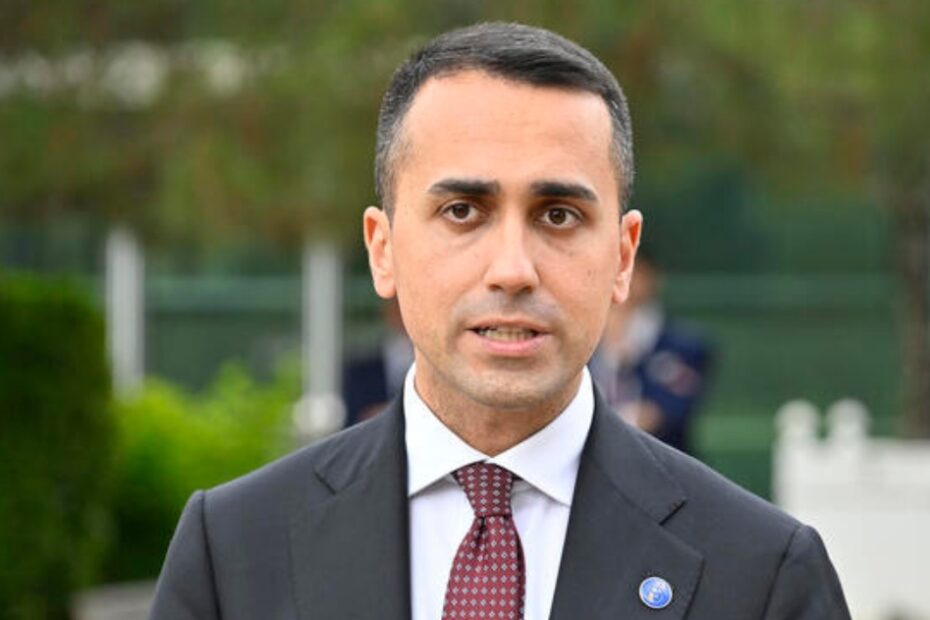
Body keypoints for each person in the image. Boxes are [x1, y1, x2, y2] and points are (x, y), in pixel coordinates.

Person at [150, 23, 850, 619]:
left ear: (623, 256)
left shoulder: (763, 576)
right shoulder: (232, 552)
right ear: (383, 250)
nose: (513, 269)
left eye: (559, 215)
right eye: (462, 212)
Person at [590, 249, 713, 455]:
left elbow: (663, 412)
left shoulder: (684, 345)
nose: (624, 280)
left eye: (634, 271)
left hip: (658, 459)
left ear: (653, 278)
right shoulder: (581, 338)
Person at [342, 298, 414, 426]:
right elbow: (352, 420)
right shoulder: (360, 370)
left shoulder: (435, 362)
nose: (402, 314)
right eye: (396, 308)